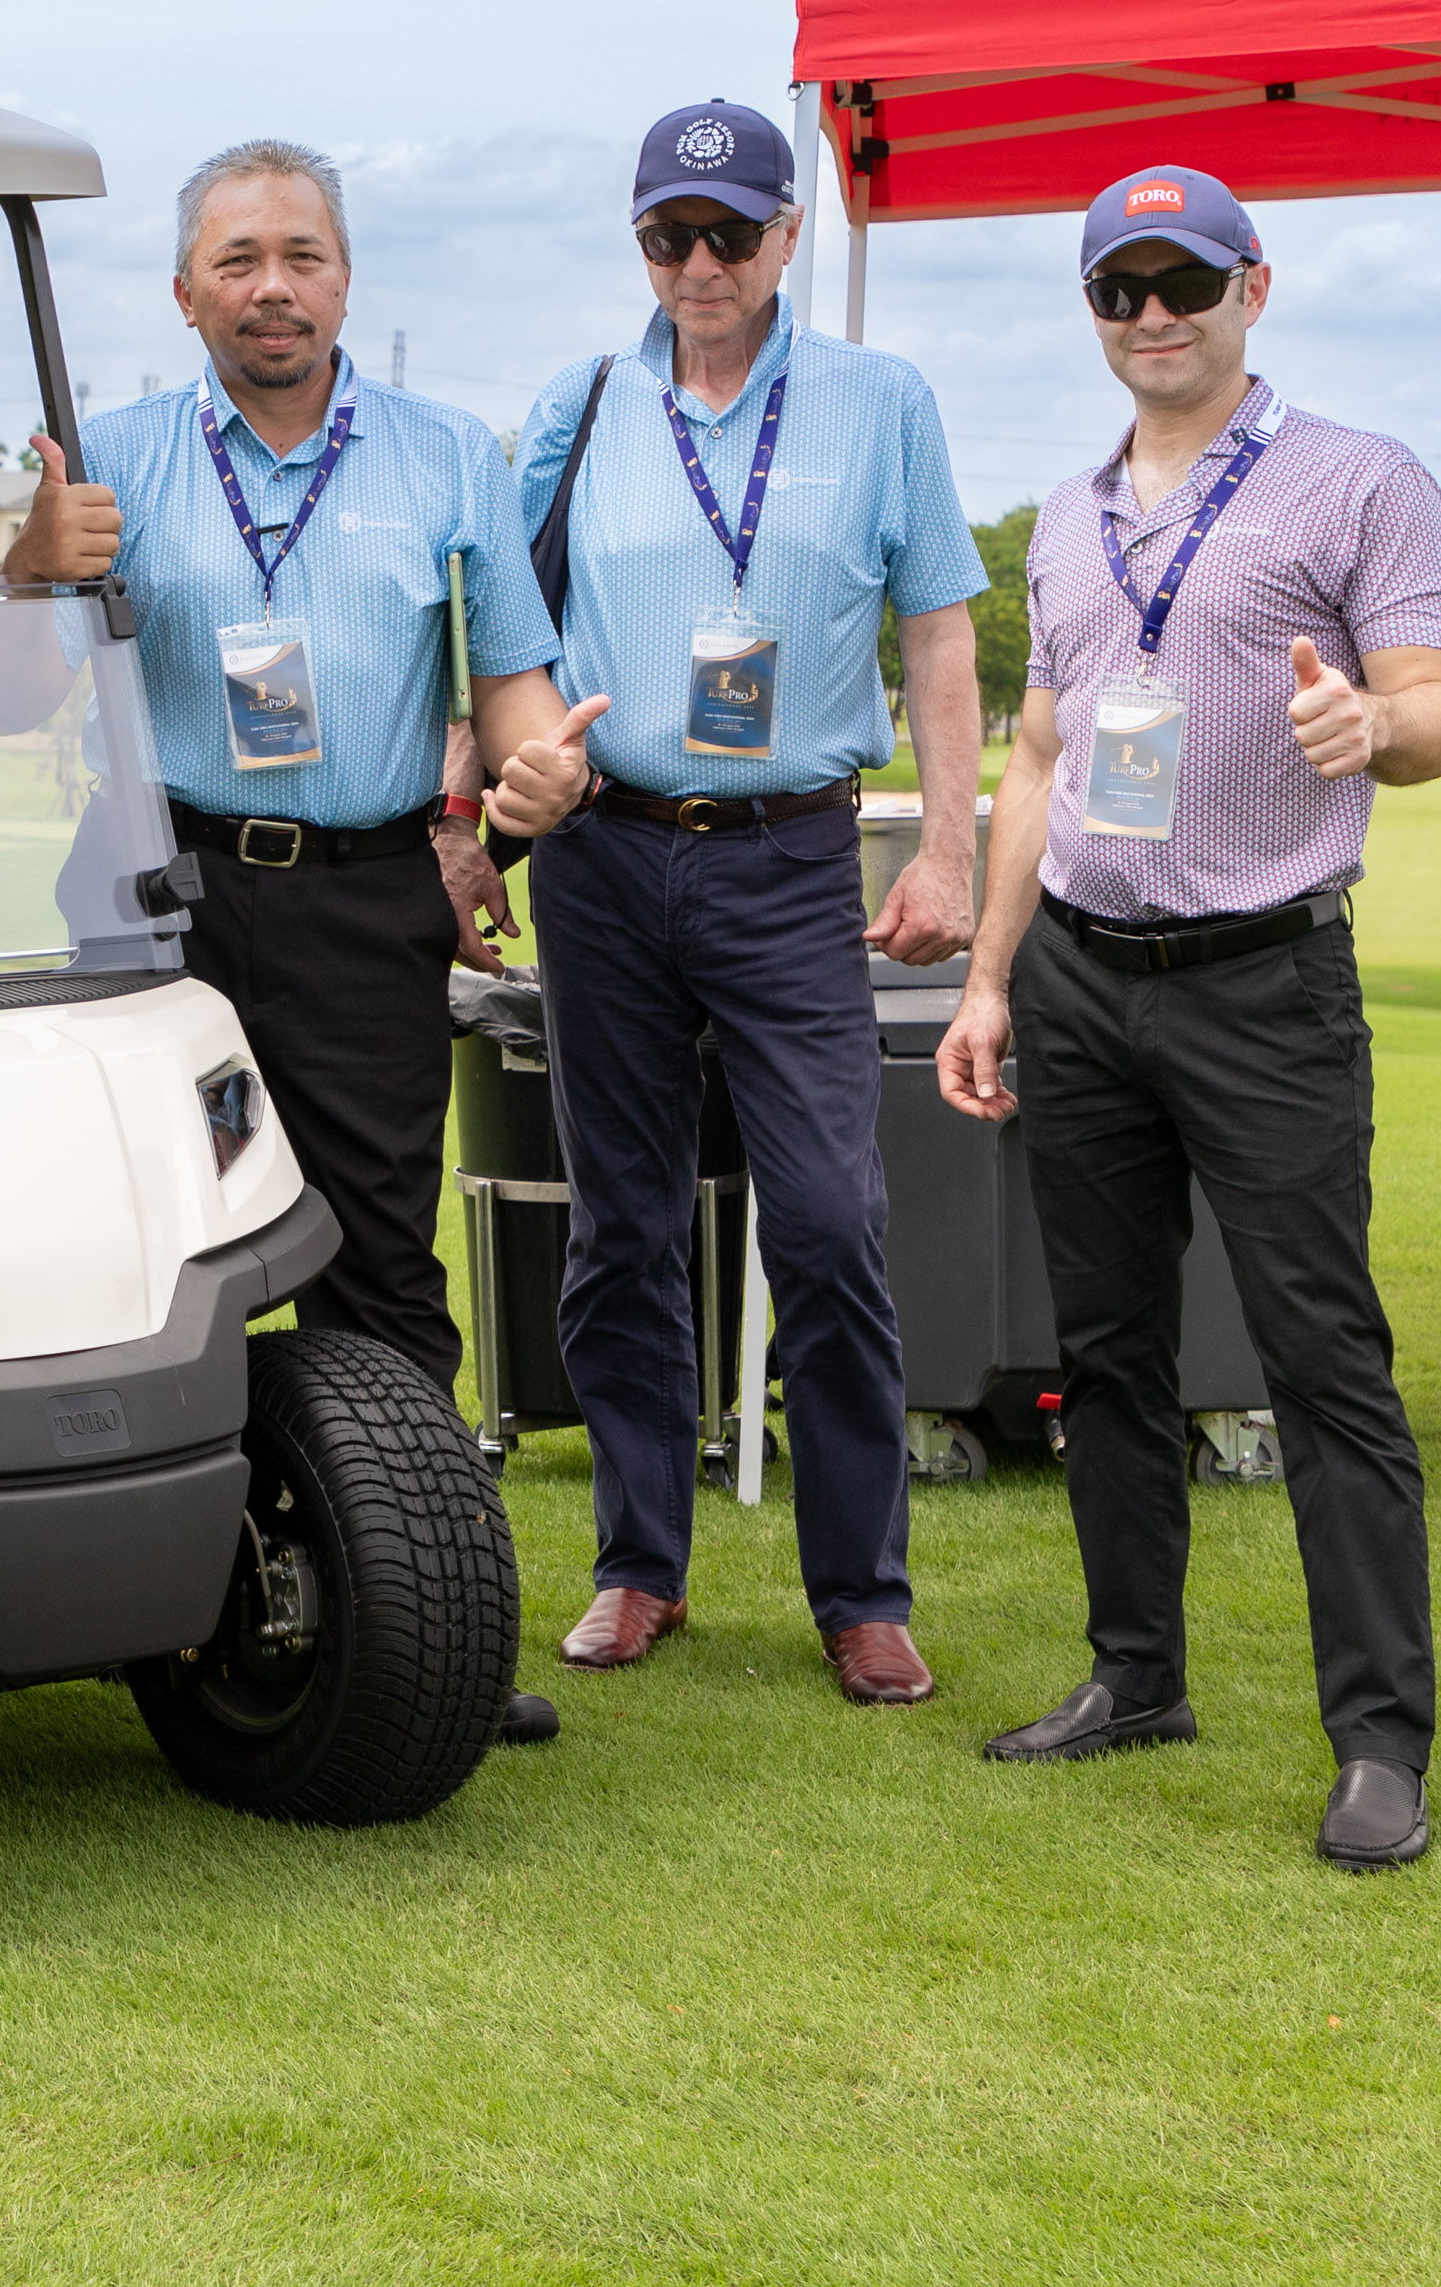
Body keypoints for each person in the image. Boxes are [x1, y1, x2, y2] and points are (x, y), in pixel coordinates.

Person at [0, 138, 597, 1749]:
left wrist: (537, 776)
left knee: (375, 1265)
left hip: (358, 897)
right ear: (184, 289)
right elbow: (3, 696)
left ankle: (419, 1625)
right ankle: (119, 1607)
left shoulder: (446, 455)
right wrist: (27, 569)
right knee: (127, 1255)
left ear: (345, 280)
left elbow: (519, 697)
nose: (275, 287)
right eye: (241, 259)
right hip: (149, 886)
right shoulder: (104, 455)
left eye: (304, 257)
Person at [937, 165, 1441, 1870]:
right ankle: (1134, 1673)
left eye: (1183, 279)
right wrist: (994, 977)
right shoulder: (1068, 514)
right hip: (1086, 973)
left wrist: (1374, 731)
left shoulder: (1359, 481)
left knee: (1323, 1360)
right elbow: (1038, 758)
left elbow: (1437, 703)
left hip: (1264, 980)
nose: (1151, 312)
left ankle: (1379, 1742)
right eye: (1118, 288)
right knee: (1107, 1356)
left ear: (1254, 284)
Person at [511, 101, 984, 1708]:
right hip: (605, 851)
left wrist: (950, 849)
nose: (699, 265)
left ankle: (861, 1591)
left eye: (729, 234)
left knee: (833, 1219)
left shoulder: (879, 401)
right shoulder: (573, 411)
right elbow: (502, 641)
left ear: (792, 238)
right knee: (621, 1223)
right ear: (638, 245)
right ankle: (641, 1566)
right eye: (667, 237)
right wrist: (476, 808)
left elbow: (937, 634)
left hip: (791, 854)